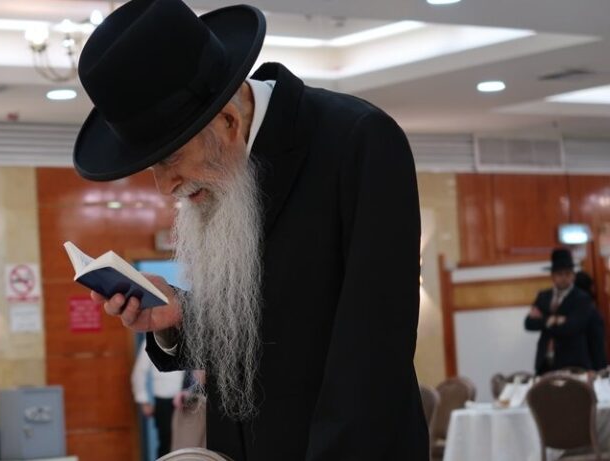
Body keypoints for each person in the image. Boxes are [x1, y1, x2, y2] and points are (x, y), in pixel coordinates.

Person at [73, 0, 427, 458]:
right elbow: (265, 326)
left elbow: (374, 354)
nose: (165, 187)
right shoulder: (222, 173)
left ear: (228, 122)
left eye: (170, 159)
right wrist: (179, 318)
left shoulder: (359, 141)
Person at [525, 248, 596, 375]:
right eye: (559, 274)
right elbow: (529, 323)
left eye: (567, 274)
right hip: (545, 361)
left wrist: (543, 321)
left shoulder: (582, 298)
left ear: (573, 275)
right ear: (552, 276)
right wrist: (553, 320)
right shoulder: (544, 296)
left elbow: (573, 326)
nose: (564, 278)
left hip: (573, 361)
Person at [131, 339, 185, 459]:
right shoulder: (152, 339)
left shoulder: (186, 336)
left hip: (187, 399)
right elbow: (139, 372)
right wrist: (144, 401)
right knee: (166, 443)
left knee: (187, 443)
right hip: (164, 400)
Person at [574, 271, 607, 370]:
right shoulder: (590, 311)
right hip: (593, 366)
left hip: (577, 365)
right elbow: (598, 345)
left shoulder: (572, 310)